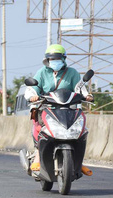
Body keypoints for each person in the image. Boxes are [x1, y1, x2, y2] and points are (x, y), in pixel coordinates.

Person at [25, 44, 93, 172]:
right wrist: (33, 96)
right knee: (39, 124)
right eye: (52, 59)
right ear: (47, 60)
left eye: (57, 58)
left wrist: (87, 96)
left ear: (63, 59)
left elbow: (80, 88)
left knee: (81, 129)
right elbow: (33, 88)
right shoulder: (42, 72)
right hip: (46, 106)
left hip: (69, 107)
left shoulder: (72, 72)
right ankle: (38, 156)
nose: (54, 61)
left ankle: (78, 162)